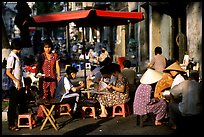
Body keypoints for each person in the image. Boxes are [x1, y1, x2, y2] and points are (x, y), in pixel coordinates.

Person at [35, 38, 61, 121]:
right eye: (45, 47)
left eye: (49, 47)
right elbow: (38, 66)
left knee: (51, 96)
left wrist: (59, 74)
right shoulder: (41, 56)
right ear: (43, 48)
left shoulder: (55, 56)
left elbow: (57, 66)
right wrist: (38, 74)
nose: (47, 49)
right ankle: (40, 115)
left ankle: (48, 113)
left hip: (53, 79)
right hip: (44, 80)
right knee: (43, 97)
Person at [6, 38, 24, 131]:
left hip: (18, 84)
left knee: (20, 103)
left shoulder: (17, 56)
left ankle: (20, 121)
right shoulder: (11, 58)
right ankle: (11, 124)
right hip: (13, 85)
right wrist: (16, 80)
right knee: (12, 105)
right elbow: (8, 72)